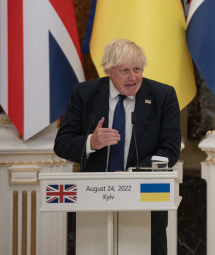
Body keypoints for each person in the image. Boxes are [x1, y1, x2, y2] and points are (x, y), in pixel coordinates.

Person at [54, 38, 181, 255]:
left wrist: (133, 174)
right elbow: (62, 144)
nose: (133, 77)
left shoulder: (162, 96)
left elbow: (169, 150)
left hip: (146, 201)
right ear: (109, 70)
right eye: (125, 71)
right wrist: (90, 143)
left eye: (137, 69)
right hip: (94, 202)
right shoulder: (84, 94)